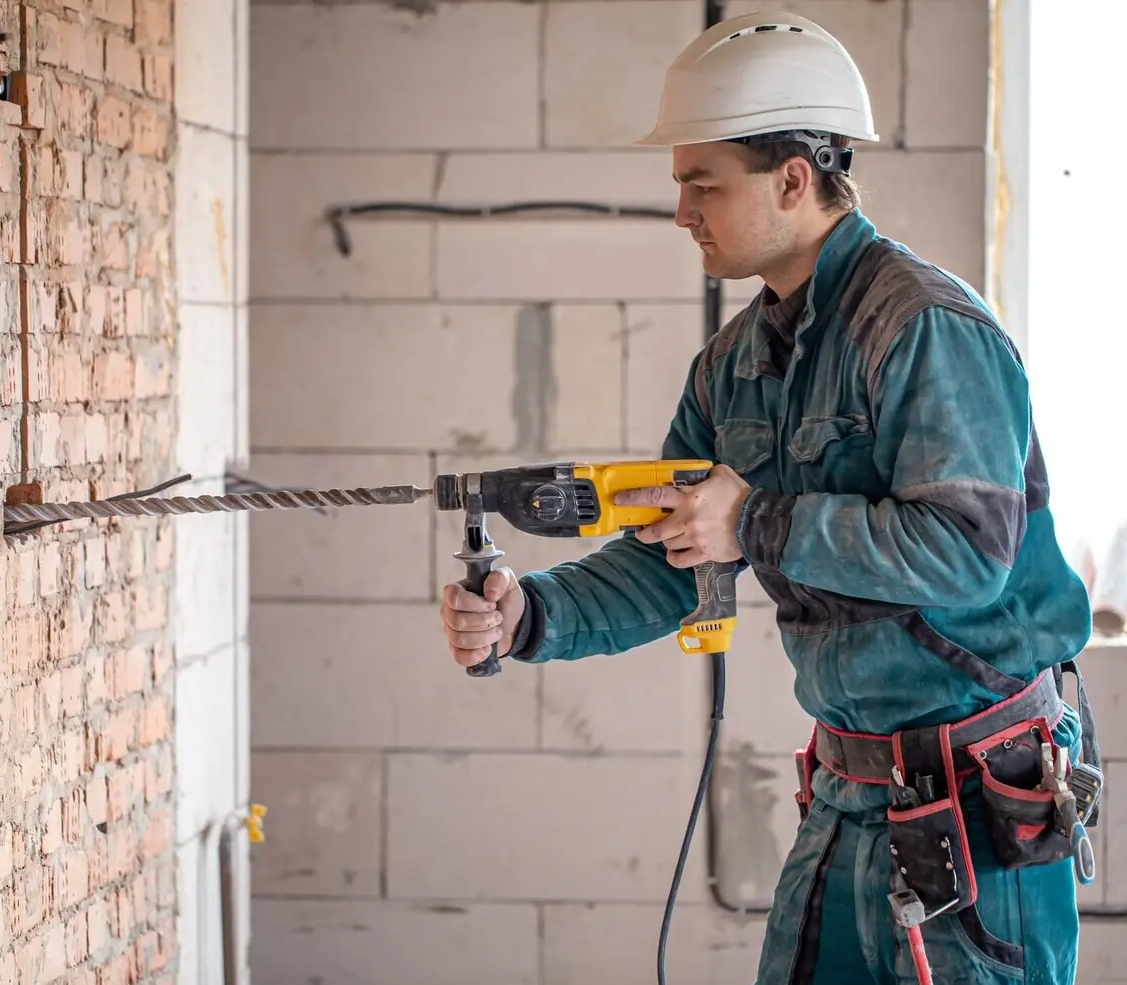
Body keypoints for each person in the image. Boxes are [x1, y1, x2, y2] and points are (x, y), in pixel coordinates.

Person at [437, 11, 1101, 985]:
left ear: (794, 178)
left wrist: (755, 518)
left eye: (702, 184)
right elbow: (677, 556)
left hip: (978, 802)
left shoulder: (924, 329)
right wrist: (532, 613)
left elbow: (965, 553)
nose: (680, 212)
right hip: (846, 791)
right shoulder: (732, 367)